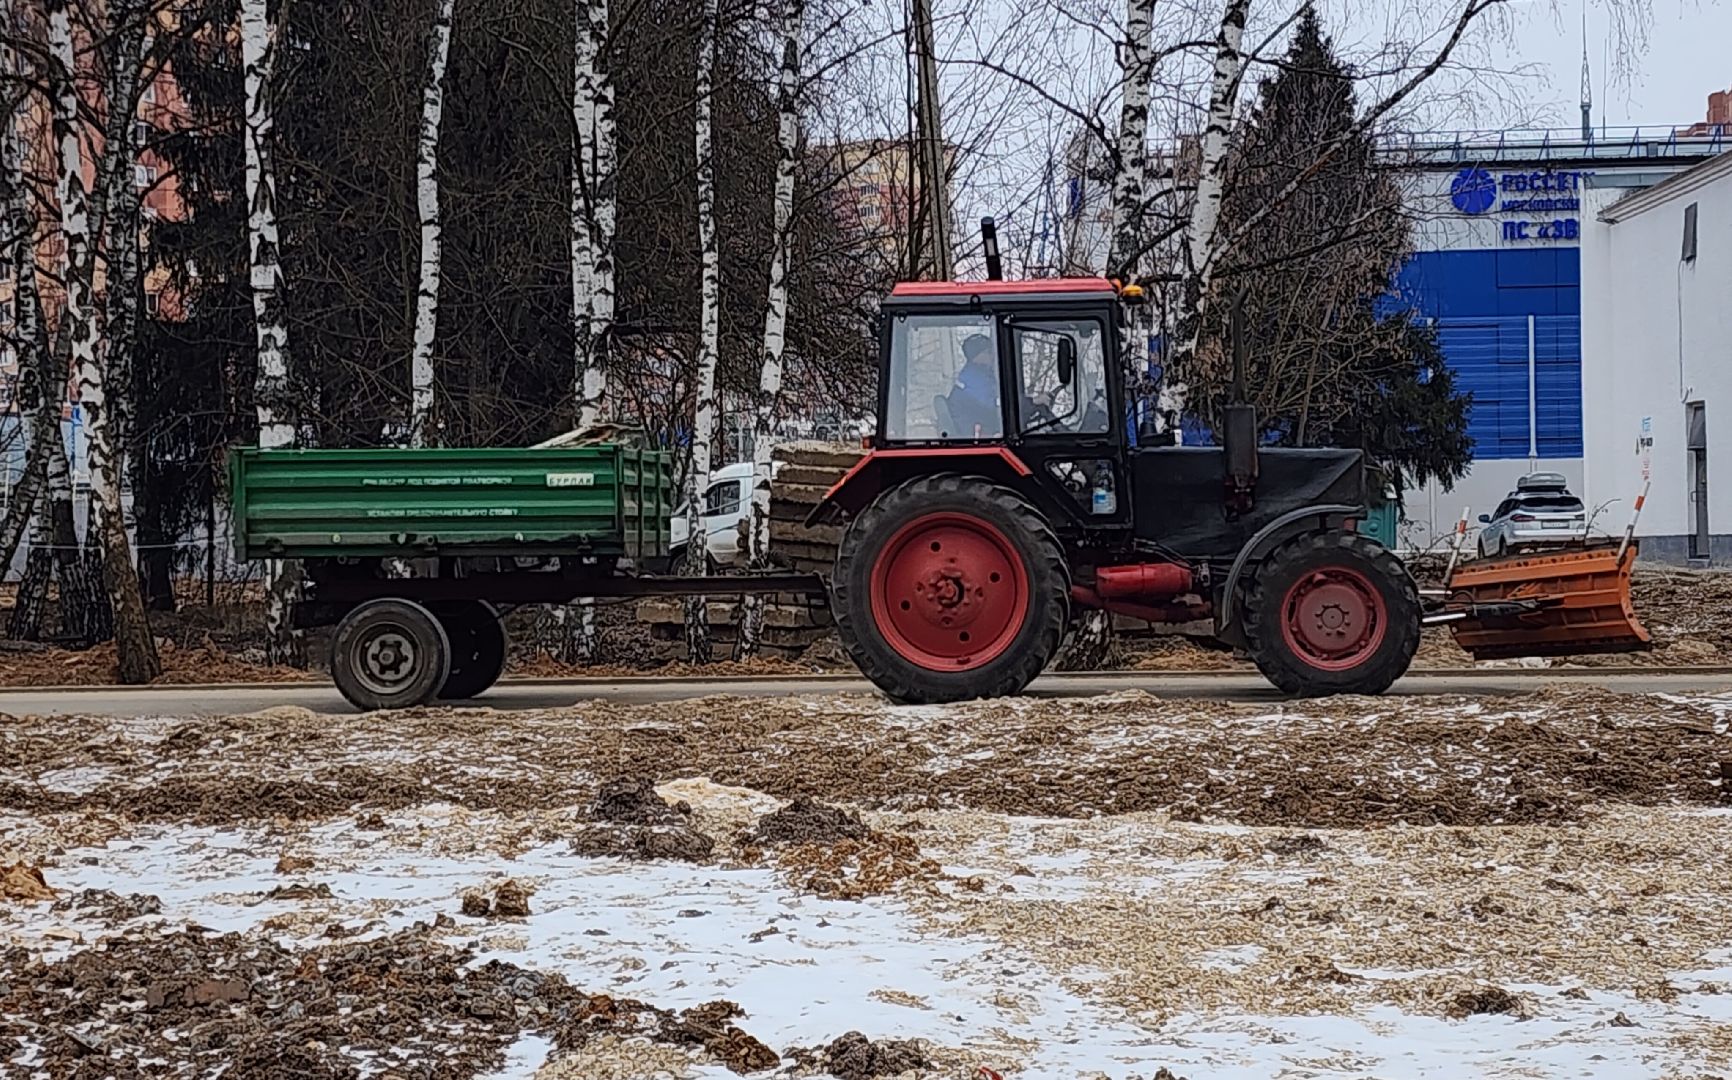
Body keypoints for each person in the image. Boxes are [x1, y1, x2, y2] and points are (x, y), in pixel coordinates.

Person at [945, 333, 1001, 438]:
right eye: (989, 352)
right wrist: (1031, 403)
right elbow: (996, 408)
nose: (993, 356)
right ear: (978, 356)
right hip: (975, 433)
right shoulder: (975, 379)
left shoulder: (980, 374)